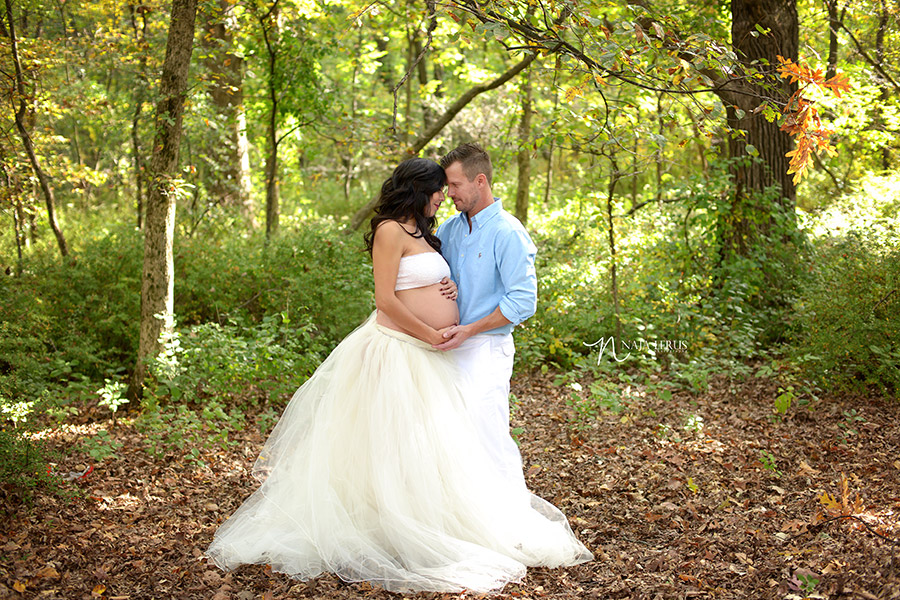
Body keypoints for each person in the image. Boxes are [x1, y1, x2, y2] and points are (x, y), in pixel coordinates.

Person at [205, 158, 591, 594]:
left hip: (437, 354)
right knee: (391, 443)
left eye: (449, 188)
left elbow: (438, 282)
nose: (444, 196)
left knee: (434, 446)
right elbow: (386, 300)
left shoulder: (431, 233)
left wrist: (452, 291)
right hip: (399, 350)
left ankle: (437, 518)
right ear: (417, 190)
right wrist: (431, 333)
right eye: (438, 189)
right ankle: (390, 526)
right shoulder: (391, 230)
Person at [434, 143, 537, 486]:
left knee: (488, 438)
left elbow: (523, 301)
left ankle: (508, 525)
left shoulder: (508, 233)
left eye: (455, 185)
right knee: (451, 441)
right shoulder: (449, 230)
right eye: (447, 187)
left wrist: (471, 329)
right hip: (445, 349)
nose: (449, 194)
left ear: (480, 181)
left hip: (485, 349)